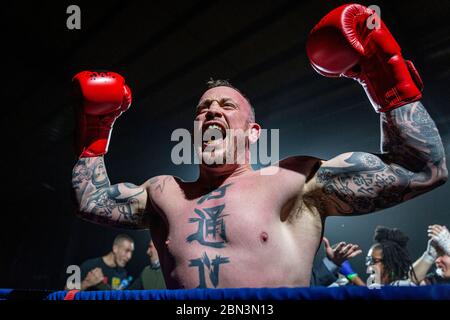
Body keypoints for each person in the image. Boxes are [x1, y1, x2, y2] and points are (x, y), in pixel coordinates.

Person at [71, 4, 447, 289]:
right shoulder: (162, 192)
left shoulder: (295, 180)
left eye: (226, 106)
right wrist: (94, 130)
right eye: (203, 109)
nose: (212, 111)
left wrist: (385, 76)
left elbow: (422, 169)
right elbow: (91, 202)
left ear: (252, 133)